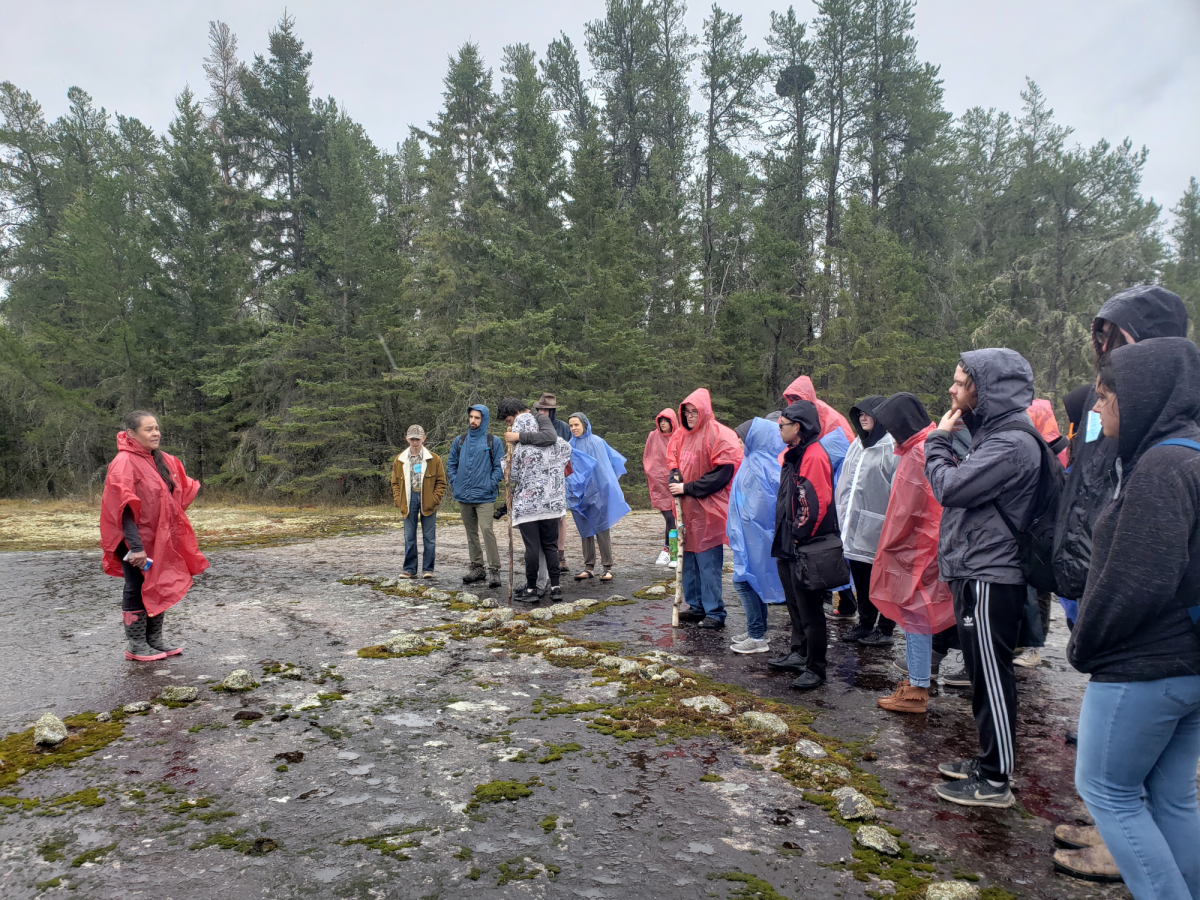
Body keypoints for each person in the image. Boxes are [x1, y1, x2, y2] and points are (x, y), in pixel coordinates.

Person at [1058, 337, 1200, 896]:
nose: (1096, 408)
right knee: (1173, 796)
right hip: (1188, 662)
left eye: (1104, 396)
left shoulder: (1161, 467)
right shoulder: (1190, 454)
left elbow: (1137, 581)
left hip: (1144, 665)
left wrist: (1085, 645)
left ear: (1140, 398)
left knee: (1107, 791)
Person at [925, 349, 1043, 809]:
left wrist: (938, 441)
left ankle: (996, 779)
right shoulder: (994, 434)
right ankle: (989, 759)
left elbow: (950, 488)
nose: (951, 390)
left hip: (992, 573)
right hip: (978, 567)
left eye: (960, 382)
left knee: (992, 675)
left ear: (985, 388)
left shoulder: (1010, 443)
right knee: (981, 673)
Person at [1052, 285, 1189, 603]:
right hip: (1083, 564)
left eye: (1115, 336)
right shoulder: (1096, 398)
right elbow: (1086, 470)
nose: (1105, 347)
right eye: (1102, 336)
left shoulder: (1171, 413)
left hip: (1125, 584)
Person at [869, 393, 957, 714]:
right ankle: (916, 682)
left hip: (919, 550)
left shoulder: (920, 452)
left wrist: (894, 547)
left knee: (916, 616)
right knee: (916, 616)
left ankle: (917, 689)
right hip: (923, 548)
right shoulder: (922, 447)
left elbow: (913, 511)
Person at [100, 411, 208, 661]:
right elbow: (123, 508)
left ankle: (154, 640)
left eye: (157, 428)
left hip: (156, 537)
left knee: (157, 582)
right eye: (148, 429)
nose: (156, 433)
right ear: (131, 433)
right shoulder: (124, 462)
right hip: (131, 539)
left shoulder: (159, 459)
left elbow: (175, 491)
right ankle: (136, 644)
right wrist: (135, 547)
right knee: (136, 586)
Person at [769, 400, 842, 689]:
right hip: (790, 543)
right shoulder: (795, 454)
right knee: (795, 605)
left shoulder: (813, 455)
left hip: (806, 546)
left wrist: (799, 535)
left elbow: (816, 504)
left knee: (811, 611)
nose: (779, 429)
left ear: (797, 427)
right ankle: (799, 653)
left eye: (783, 425)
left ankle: (816, 667)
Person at [667, 388, 743, 629]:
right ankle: (696, 605)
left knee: (708, 563)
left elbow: (723, 473)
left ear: (704, 411)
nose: (690, 416)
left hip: (709, 511)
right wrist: (675, 477)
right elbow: (673, 462)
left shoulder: (719, 434)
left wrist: (688, 487)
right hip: (686, 510)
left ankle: (715, 612)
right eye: (686, 412)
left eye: (694, 412)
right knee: (688, 561)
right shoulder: (680, 435)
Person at [836, 397, 898, 645]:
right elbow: (845, 482)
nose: (862, 417)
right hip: (854, 524)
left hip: (881, 525)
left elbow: (897, 488)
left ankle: (886, 628)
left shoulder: (892, 446)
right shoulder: (857, 444)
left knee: (885, 579)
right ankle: (865, 624)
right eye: (859, 413)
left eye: (868, 413)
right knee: (862, 579)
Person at [727, 418, 787, 653]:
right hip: (750, 535)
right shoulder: (757, 462)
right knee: (754, 580)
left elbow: (758, 507)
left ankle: (757, 636)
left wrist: (742, 529)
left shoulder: (757, 466)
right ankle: (758, 628)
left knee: (744, 581)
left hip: (753, 536)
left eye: (742, 438)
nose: (739, 443)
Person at [507, 411, 573, 602]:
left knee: (532, 548)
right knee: (551, 546)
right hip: (551, 504)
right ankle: (556, 587)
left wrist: (506, 460)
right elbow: (567, 451)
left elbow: (512, 476)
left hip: (528, 507)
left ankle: (531, 589)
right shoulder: (557, 444)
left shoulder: (521, 449)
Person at [564, 412, 630, 582]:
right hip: (579, 494)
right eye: (571, 426)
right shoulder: (570, 445)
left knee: (601, 528)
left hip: (598, 492)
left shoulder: (597, 442)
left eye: (576, 425)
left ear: (584, 424)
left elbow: (605, 468)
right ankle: (589, 566)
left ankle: (607, 567)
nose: (573, 428)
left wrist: (605, 490)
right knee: (585, 530)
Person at [446, 405, 505, 588]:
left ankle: (494, 569)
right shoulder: (460, 440)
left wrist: (491, 483)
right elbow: (451, 463)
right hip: (464, 495)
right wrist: (455, 481)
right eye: (471, 417)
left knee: (487, 529)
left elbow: (500, 466)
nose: (473, 420)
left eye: (477, 418)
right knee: (471, 533)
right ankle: (477, 567)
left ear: (483, 419)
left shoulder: (492, 441)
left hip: (484, 496)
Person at [391, 425, 447, 579]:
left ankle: (428, 569)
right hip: (408, 500)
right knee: (409, 536)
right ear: (407, 439)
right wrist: (399, 500)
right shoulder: (400, 460)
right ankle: (409, 569)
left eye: (417, 439)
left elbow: (441, 482)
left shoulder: (434, 459)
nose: (415, 442)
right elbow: (395, 483)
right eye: (412, 439)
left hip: (427, 500)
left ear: (424, 439)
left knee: (429, 537)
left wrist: (435, 499)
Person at [643, 408, 680, 566]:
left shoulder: (679, 436)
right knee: (669, 518)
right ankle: (670, 551)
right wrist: (655, 476)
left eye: (666, 421)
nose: (663, 424)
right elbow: (648, 458)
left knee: (677, 519)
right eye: (661, 421)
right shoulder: (653, 436)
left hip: (676, 484)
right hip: (659, 485)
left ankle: (673, 552)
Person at [782, 375, 855, 442]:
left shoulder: (829, 416)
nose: (794, 403)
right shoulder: (789, 416)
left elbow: (846, 442)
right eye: (791, 400)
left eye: (797, 399)